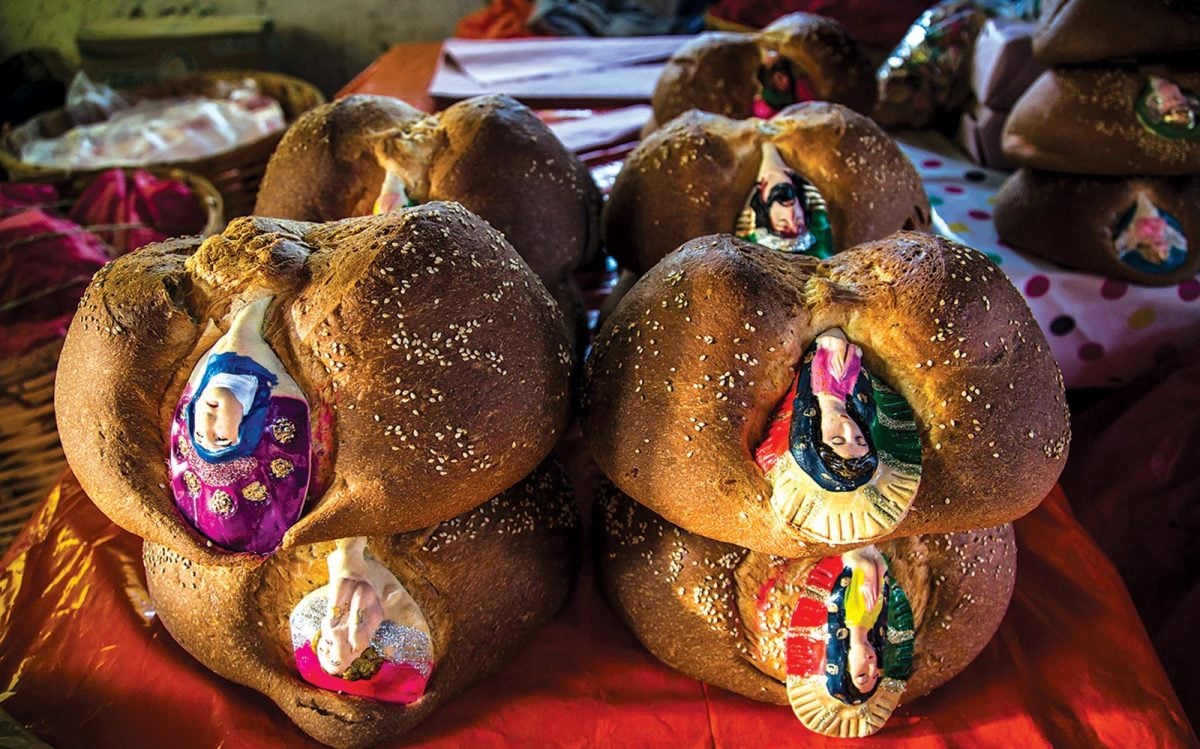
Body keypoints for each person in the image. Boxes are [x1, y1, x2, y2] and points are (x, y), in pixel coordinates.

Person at [168, 296, 313, 553]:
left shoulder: (210, 371)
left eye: (199, 436)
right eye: (222, 441)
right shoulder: (274, 397)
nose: (209, 428)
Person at [841, 545, 887, 696]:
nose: (873, 667)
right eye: (875, 675)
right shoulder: (871, 619)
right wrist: (879, 568)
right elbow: (880, 564)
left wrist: (867, 571)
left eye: (862, 675)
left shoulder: (851, 613)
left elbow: (849, 555)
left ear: (846, 666)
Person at [1115, 192, 1188, 274]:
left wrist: (1130, 233)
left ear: (1147, 247)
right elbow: (1181, 243)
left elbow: (1118, 250)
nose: (1163, 242)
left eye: (1158, 243)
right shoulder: (1165, 233)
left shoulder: (1136, 239)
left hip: (1137, 217)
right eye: (1164, 244)